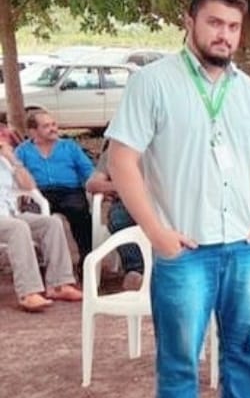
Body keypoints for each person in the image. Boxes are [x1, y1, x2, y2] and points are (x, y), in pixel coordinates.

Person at [106, 0, 250, 398]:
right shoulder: (153, 82)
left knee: (246, 347)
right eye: (214, 23)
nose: (224, 34)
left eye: (232, 27)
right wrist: (156, 234)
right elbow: (122, 160)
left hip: (243, 248)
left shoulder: (248, 90)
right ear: (190, 22)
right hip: (185, 251)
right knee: (181, 357)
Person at [1, 138, 83, 312]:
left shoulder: (4, 161)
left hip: (9, 215)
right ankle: (28, 292)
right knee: (18, 228)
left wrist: (13, 160)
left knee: (52, 223)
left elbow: (29, 186)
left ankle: (59, 284)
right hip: (9, 221)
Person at [15, 110, 95, 260]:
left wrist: (95, 186)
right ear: (33, 131)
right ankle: (43, 260)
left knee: (81, 215)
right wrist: (24, 192)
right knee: (34, 219)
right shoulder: (22, 151)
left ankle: (86, 260)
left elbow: (88, 170)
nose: (53, 129)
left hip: (70, 191)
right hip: (38, 193)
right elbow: (15, 175)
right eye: (46, 126)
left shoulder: (69, 146)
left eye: (54, 124)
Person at [85, 138, 145, 292]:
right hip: (127, 202)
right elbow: (92, 184)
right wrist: (123, 187)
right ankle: (137, 272)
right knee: (118, 218)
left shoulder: (162, 148)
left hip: (160, 202)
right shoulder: (114, 152)